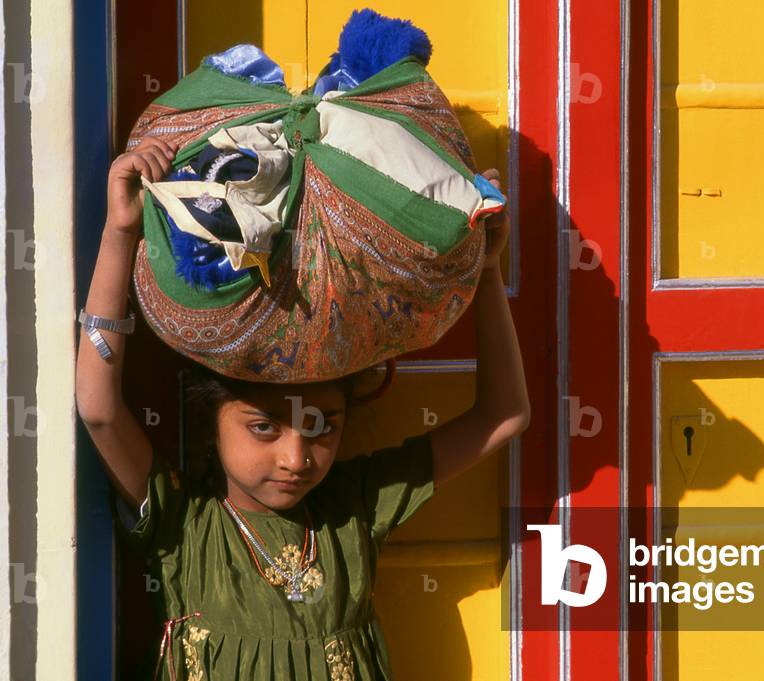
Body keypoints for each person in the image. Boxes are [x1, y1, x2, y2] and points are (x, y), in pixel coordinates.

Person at [75, 134, 530, 680]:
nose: (297, 457)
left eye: (322, 427)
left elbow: (504, 415)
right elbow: (99, 410)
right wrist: (120, 232)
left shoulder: (353, 510)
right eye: (264, 427)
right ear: (210, 423)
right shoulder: (186, 528)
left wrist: (484, 271)